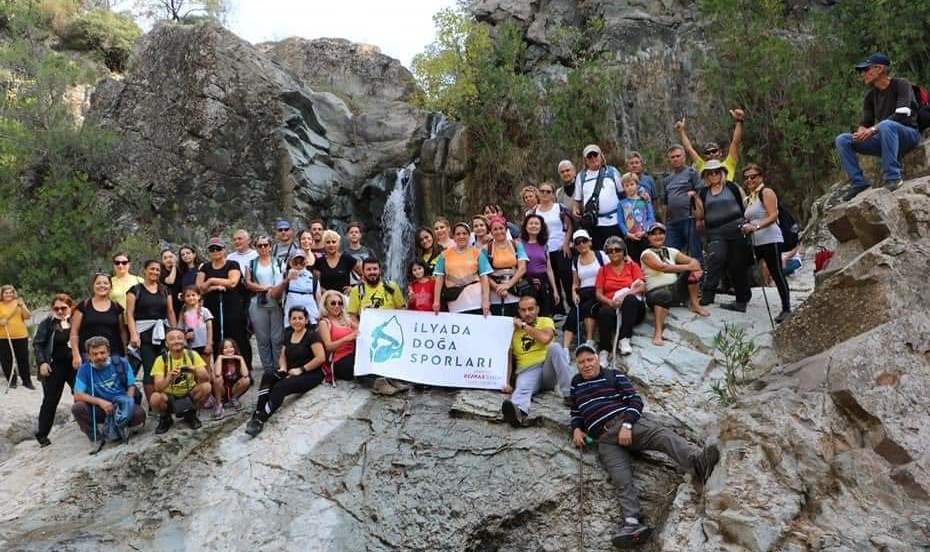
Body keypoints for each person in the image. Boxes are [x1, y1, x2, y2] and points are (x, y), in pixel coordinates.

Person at [568, 344, 720, 548]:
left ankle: (698, 462)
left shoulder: (613, 375)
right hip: (604, 439)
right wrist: (576, 429)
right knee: (621, 478)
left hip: (624, 423)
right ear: (577, 365)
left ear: (597, 359)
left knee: (662, 435)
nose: (586, 365)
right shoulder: (576, 384)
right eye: (581, 362)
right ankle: (632, 524)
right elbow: (576, 412)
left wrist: (627, 425)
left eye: (589, 359)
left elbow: (635, 401)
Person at [836, 53, 923, 200]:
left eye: (866, 69)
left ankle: (894, 178)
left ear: (880, 69)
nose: (863, 74)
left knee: (886, 125)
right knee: (842, 139)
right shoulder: (870, 96)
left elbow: (902, 113)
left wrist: (873, 130)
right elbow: (866, 122)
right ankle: (858, 183)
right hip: (885, 138)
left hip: (908, 135)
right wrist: (861, 132)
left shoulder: (901, 84)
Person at [245, 306, 326, 437]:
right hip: (291, 370)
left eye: (300, 318)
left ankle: (260, 420)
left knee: (281, 386)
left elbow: (320, 358)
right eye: (294, 318)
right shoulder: (288, 333)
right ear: (289, 320)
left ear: (306, 320)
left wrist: (301, 369)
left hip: (310, 373)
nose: (297, 321)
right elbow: (282, 354)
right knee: (268, 375)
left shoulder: (312, 335)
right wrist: (283, 367)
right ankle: (258, 411)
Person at [500, 296, 573, 427]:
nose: (527, 313)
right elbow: (508, 358)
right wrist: (506, 382)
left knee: (555, 347)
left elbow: (545, 338)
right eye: (523, 310)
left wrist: (523, 326)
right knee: (522, 388)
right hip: (527, 370)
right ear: (519, 311)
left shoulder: (545, 321)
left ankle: (569, 395)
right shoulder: (512, 329)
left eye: (530, 309)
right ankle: (518, 413)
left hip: (547, 369)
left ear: (537, 309)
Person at [694, 160, 752, 312]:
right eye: (710, 173)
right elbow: (700, 215)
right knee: (715, 258)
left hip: (737, 229)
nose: (714, 175)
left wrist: (750, 223)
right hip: (715, 232)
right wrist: (694, 200)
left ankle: (743, 297)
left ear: (722, 173)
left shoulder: (732, 187)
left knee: (737, 263)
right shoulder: (703, 193)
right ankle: (708, 294)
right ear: (706, 176)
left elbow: (745, 205)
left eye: (716, 172)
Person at [640, 223, 710, 346]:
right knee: (663, 294)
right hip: (655, 292)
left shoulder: (671, 251)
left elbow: (693, 261)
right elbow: (662, 267)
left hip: (675, 290)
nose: (658, 236)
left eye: (661, 233)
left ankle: (695, 304)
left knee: (691, 272)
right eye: (654, 234)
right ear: (648, 237)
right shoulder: (646, 254)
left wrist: (696, 268)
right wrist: (689, 267)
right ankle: (658, 332)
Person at [346, 258, 408, 395]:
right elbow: (352, 316)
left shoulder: (391, 286)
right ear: (363, 272)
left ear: (380, 270)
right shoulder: (357, 290)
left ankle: (393, 379)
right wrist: (360, 329)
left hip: (389, 330)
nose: (372, 272)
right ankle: (379, 383)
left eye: (375, 269)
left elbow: (402, 308)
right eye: (368, 269)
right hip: (369, 333)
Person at [740, 163, 791, 323]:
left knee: (776, 272)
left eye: (753, 176)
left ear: (760, 177)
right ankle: (742, 298)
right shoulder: (750, 197)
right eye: (746, 178)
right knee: (742, 265)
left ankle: (786, 308)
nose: (749, 180)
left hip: (770, 238)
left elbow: (773, 215)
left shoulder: (766, 192)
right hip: (757, 241)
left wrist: (755, 227)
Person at [71, 336, 145, 444]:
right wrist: (100, 402)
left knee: (139, 414)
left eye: (102, 353)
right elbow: (78, 394)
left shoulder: (121, 363)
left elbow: (131, 385)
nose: (99, 357)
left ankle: (122, 427)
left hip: (120, 404)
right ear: (88, 355)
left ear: (108, 352)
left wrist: (127, 404)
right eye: (94, 354)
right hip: (100, 408)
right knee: (78, 408)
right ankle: (96, 437)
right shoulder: (84, 369)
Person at [126, 259, 177, 404]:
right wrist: (133, 334)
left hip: (163, 332)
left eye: (158, 270)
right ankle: (153, 403)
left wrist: (175, 333)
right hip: (144, 333)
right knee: (150, 368)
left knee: (166, 366)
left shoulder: (165, 290)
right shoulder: (135, 290)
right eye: (152, 269)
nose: (155, 272)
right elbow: (129, 313)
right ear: (144, 270)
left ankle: (166, 400)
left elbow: (170, 311)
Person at [150, 327, 212, 433]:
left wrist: (193, 370)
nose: (176, 341)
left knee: (207, 387)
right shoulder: (161, 360)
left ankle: (191, 414)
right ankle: (165, 418)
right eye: (172, 339)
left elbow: (206, 378)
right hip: (169, 396)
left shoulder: (192, 355)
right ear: (166, 344)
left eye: (180, 338)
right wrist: (169, 377)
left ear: (185, 341)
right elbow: (158, 388)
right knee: (155, 398)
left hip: (189, 393)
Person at [197, 237, 249, 361]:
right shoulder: (205, 267)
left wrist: (211, 280)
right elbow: (199, 287)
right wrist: (213, 287)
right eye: (212, 249)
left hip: (232, 306)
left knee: (237, 336)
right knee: (215, 336)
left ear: (224, 250)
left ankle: (243, 366)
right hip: (212, 306)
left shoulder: (232, 264)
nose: (215, 251)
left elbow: (232, 282)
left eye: (218, 248)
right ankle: (218, 366)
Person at [595, 237, 646, 363]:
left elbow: (642, 286)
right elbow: (598, 293)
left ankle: (624, 338)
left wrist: (625, 295)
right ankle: (604, 349)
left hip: (632, 309)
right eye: (610, 251)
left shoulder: (632, 266)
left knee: (630, 299)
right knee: (603, 312)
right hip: (613, 307)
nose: (614, 253)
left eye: (617, 250)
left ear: (624, 251)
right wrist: (610, 302)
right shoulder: (603, 270)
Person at [33, 294, 76, 446]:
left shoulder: (76, 321)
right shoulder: (47, 323)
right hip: (55, 365)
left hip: (74, 364)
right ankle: (42, 434)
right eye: (56, 308)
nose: (59, 311)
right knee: (50, 400)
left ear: (70, 307)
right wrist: (42, 362)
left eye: (63, 308)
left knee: (81, 394)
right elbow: (38, 343)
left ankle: (86, 424)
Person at [245, 235, 286, 374]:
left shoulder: (279, 262)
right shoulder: (251, 263)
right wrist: (264, 288)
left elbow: (283, 280)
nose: (263, 248)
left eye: (265, 245)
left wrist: (274, 290)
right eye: (260, 245)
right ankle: (268, 368)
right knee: (262, 337)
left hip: (275, 300)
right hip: (258, 299)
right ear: (255, 248)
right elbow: (248, 283)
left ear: (270, 246)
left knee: (277, 337)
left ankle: (278, 366)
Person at [432, 223, 492, 317]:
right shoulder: (444, 255)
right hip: (455, 300)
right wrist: (436, 301)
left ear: (469, 235)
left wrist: (486, 300)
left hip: (476, 299)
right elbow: (439, 279)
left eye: (464, 233)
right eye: (458, 234)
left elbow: (484, 278)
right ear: (453, 237)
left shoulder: (477, 253)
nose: (461, 236)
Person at [572, 144, 624, 249]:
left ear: (601, 156)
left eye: (595, 155)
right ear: (585, 160)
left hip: (614, 222)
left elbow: (623, 192)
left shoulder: (612, 172)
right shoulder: (581, 177)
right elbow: (577, 199)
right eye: (589, 156)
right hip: (594, 224)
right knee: (599, 252)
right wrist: (575, 208)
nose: (593, 158)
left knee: (617, 250)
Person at [71, 273, 127, 369]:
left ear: (110, 286)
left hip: (114, 354)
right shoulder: (84, 306)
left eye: (105, 283)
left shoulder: (116, 307)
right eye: (98, 283)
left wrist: (125, 353)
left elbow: (122, 332)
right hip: (88, 355)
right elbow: (74, 332)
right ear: (93, 286)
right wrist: (75, 354)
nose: (102, 286)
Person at [532, 181, 573, 314]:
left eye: (548, 191)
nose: (545, 194)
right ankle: (558, 310)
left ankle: (573, 306)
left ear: (553, 194)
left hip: (561, 248)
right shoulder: (533, 211)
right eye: (542, 191)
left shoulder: (559, 208)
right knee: (551, 281)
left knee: (566, 277)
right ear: (538, 193)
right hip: (544, 251)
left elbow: (569, 226)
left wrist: (566, 243)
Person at [562, 229, 605, 351]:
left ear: (590, 241)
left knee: (588, 308)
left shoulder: (601, 255)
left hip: (598, 290)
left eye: (584, 241)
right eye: (577, 242)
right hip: (583, 292)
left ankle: (590, 340)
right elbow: (575, 282)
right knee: (572, 315)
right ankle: (565, 349)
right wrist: (573, 293)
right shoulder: (575, 261)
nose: (581, 244)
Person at [661, 145, 704, 262]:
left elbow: (701, 194)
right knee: (670, 252)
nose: (675, 159)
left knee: (695, 251)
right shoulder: (667, 179)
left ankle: (700, 271)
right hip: (672, 222)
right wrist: (664, 224)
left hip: (690, 219)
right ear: (669, 160)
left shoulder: (692, 173)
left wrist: (700, 219)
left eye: (678, 156)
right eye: (672, 157)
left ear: (684, 157)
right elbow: (665, 203)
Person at [675, 108, 744, 177]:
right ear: (704, 157)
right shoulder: (701, 166)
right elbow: (689, 148)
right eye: (707, 153)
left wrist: (739, 121)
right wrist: (681, 131)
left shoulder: (728, 163)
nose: (711, 154)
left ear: (720, 153)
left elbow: (735, 142)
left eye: (714, 151)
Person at [485, 216, 528, 317]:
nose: (499, 231)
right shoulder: (486, 249)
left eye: (501, 228)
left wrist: (508, 285)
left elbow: (522, 268)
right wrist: (498, 288)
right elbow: (484, 273)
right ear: (491, 232)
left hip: (516, 290)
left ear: (506, 229)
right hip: (496, 293)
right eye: (495, 229)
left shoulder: (517, 245)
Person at [520, 214, 560, 317]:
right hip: (527, 282)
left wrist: (555, 290)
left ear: (541, 227)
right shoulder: (520, 244)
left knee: (545, 313)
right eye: (531, 223)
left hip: (543, 283)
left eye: (537, 223)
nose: (534, 226)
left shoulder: (544, 245)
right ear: (525, 226)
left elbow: (549, 269)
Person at [318, 290, 358, 382]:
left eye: (340, 303)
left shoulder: (346, 320)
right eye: (333, 303)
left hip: (352, 355)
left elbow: (362, 329)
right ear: (325, 305)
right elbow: (328, 347)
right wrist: (346, 339)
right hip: (338, 360)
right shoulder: (324, 323)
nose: (337, 306)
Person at [617, 172, 656, 264]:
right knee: (633, 263)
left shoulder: (644, 201)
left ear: (637, 185)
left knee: (648, 261)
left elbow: (651, 218)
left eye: (632, 184)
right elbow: (620, 221)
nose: (630, 187)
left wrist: (644, 231)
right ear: (623, 188)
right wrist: (627, 233)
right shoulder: (621, 203)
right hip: (630, 238)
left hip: (644, 236)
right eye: (626, 185)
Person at [0, 284, 32, 389]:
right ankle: (12, 380)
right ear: (2, 294)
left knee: (23, 359)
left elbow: (27, 316)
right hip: (3, 337)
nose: (8, 294)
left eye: (11, 292)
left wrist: (22, 306)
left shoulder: (18, 303)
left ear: (14, 293)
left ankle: (26, 381)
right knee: (6, 360)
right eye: (6, 293)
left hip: (20, 335)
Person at [210, 338, 251, 419]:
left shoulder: (238, 360)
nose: (229, 349)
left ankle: (234, 399)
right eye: (225, 348)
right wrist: (220, 358)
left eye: (231, 347)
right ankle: (219, 404)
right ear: (222, 350)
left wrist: (241, 358)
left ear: (235, 348)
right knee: (217, 378)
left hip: (233, 389)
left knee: (246, 380)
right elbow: (217, 374)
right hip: (221, 390)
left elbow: (246, 374)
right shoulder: (220, 360)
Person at [281, 251, 321, 329]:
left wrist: (320, 313)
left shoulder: (313, 276)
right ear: (290, 263)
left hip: (311, 315)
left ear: (306, 262)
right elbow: (279, 293)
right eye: (295, 262)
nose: (298, 265)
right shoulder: (285, 275)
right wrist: (287, 279)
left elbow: (318, 296)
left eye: (301, 262)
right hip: (292, 317)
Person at [315, 230, 360, 294]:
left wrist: (354, 288)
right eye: (328, 242)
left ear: (338, 244)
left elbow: (365, 274)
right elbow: (316, 283)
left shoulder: (347, 259)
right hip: (326, 297)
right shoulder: (319, 262)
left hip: (345, 297)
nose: (331, 245)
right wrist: (324, 291)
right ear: (324, 244)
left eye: (334, 242)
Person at [176, 286, 213, 359]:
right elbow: (180, 330)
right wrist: (185, 336)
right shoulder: (183, 313)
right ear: (184, 298)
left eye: (193, 295)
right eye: (188, 296)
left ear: (199, 296)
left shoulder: (204, 311)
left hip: (204, 345)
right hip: (190, 347)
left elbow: (209, 328)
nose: (191, 298)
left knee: (205, 364)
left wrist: (209, 344)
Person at [160, 248, 183, 315]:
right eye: (165, 258)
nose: (168, 260)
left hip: (179, 304)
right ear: (162, 261)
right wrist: (174, 265)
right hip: (166, 304)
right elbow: (170, 281)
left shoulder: (180, 271)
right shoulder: (160, 272)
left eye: (170, 257)